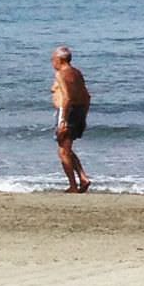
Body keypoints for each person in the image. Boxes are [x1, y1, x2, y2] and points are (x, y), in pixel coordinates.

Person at [51, 47, 90, 193]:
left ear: (59, 60)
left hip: (68, 112)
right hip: (79, 110)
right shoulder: (76, 73)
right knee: (67, 149)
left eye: (53, 59)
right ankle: (83, 177)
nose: (52, 62)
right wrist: (84, 115)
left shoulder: (61, 74)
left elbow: (67, 97)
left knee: (63, 152)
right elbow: (87, 96)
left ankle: (73, 186)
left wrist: (63, 120)